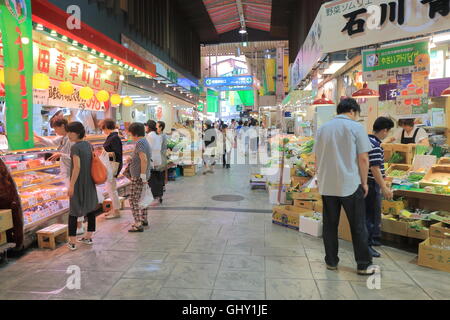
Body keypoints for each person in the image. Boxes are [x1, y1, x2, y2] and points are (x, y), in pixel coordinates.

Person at [313, 98, 375, 276]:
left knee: (330, 225)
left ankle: (331, 262)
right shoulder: (356, 128)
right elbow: (363, 159)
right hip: (350, 183)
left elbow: (317, 156)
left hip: (327, 184)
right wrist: (364, 183)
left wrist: (319, 177)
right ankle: (363, 264)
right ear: (353, 111)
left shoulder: (323, 129)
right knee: (358, 225)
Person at [34, 118, 85, 235]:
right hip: (67, 172)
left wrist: (60, 154)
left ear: (63, 126)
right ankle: (78, 224)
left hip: (73, 173)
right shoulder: (63, 138)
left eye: (56, 128)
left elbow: (75, 157)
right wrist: (38, 138)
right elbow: (53, 143)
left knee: (75, 199)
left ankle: (80, 225)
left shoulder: (71, 139)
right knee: (74, 199)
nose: (55, 131)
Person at [66, 122, 99, 251]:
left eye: (70, 132)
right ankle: (88, 237)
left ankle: (72, 242)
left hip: (79, 182)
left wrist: (71, 185)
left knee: (73, 211)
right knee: (90, 209)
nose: (68, 134)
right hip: (89, 181)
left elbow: (77, 167)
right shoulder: (88, 145)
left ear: (77, 133)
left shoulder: (75, 147)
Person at [366, 117, 395, 258]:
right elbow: (375, 168)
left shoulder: (366, 140)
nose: (387, 135)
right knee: (372, 217)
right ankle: (368, 246)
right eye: (388, 132)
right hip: (372, 184)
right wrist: (384, 187)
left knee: (367, 216)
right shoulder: (376, 145)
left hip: (365, 183)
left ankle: (367, 244)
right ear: (384, 130)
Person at [127, 122, 152, 232]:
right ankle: (143, 219)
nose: (131, 137)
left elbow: (144, 159)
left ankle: (138, 223)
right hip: (142, 175)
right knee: (142, 197)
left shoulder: (140, 143)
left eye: (131, 134)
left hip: (138, 176)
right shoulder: (144, 141)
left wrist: (142, 175)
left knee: (133, 199)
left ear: (135, 134)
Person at [101, 119, 123, 219]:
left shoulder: (113, 137)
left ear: (106, 127)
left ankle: (116, 211)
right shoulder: (113, 136)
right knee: (111, 189)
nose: (102, 130)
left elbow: (116, 153)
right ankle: (115, 209)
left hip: (112, 167)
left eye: (102, 127)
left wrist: (103, 153)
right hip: (110, 166)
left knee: (112, 189)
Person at [145, 120, 163, 206]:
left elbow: (148, 148)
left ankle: (156, 197)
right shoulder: (157, 135)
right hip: (157, 158)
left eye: (146, 126)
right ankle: (159, 196)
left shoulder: (150, 135)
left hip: (152, 159)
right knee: (157, 178)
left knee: (153, 180)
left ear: (148, 127)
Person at [157, 121, 168, 193]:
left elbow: (158, 146)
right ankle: (162, 186)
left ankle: (161, 186)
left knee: (160, 171)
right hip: (161, 155)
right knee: (161, 171)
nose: (155, 127)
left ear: (160, 127)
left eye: (156, 126)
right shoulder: (161, 135)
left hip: (161, 155)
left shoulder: (162, 136)